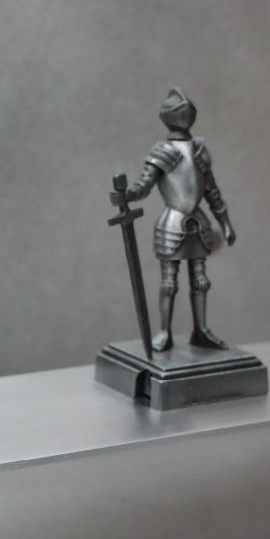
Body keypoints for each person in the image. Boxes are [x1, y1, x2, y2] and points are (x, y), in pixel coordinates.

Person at [110, 88, 236, 352]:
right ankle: (164, 332)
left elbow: (212, 191)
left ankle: (201, 330)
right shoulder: (162, 151)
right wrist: (128, 194)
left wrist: (225, 223)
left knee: (201, 282)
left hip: (198, 222)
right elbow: (144, 185)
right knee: (168, 284)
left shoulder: (199, 150)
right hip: (172, 222)